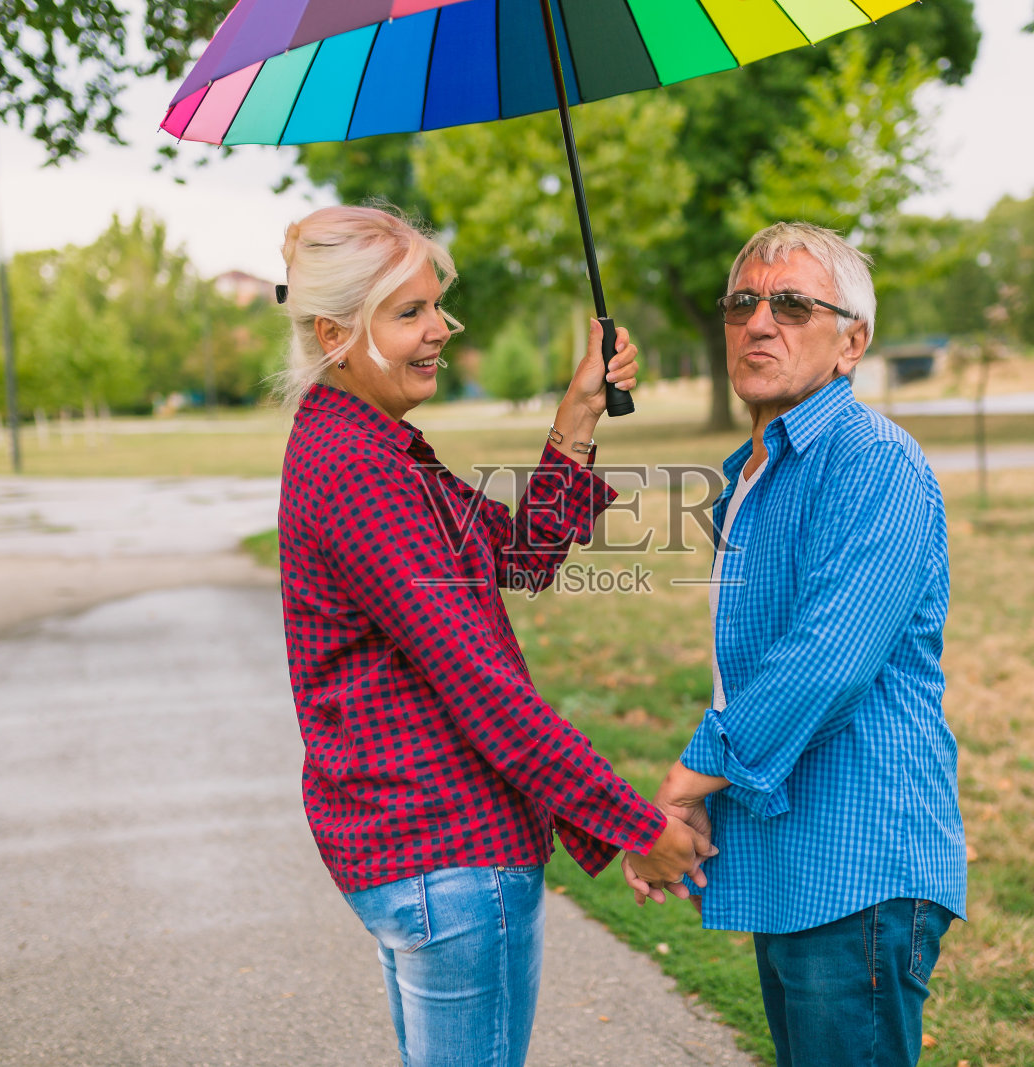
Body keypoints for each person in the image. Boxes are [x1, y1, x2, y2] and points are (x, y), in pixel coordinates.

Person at [273, 205, 708, 1067]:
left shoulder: (370, 446)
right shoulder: (362, 475)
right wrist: (635, 827)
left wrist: (577, 413)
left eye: (436, 304)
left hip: (416, 853)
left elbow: (520, 555)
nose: (440, 329)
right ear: (334, 332)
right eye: (408, 313)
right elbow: (488, 695)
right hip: (446, 852)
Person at [622, 222, 967, 1067]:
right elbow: (746, 665)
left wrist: (688, 777)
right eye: (743, 303)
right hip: (793, 859)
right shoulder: (753, 471)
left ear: (853, 341)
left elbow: (828, 658)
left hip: (861, 862)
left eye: (792, 304)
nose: (760, 323)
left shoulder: (875, 461)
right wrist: (707, 795)